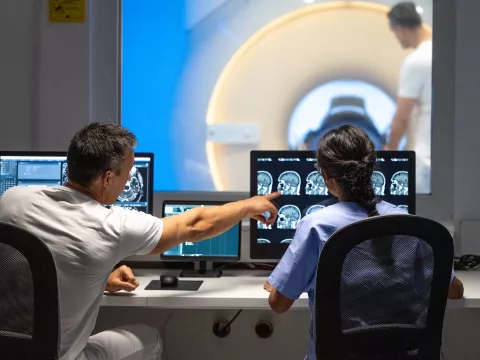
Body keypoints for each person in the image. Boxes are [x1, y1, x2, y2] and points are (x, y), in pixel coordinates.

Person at [0, 122, 279, 360]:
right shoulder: (112, 226)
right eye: (129, 173)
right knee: (149, 337)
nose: (129, 181)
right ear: (107, 178)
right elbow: (194, 226)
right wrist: (246, 206)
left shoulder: (12, 200)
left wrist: (99, 276)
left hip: (8, 349)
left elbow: (35, 262)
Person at [264, 125, 463, 360]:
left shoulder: (316, 226)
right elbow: (455, 291)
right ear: (370, 169)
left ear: (326, 176)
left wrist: (280, 283)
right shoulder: (413, 228)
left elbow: (279, 304)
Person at [384, 2, 432, 194]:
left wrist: (390, 151)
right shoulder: (440, 54)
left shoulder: (416, 62)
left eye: (393, 31)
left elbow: (402, 116)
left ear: (401, 29)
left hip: (426, 156)